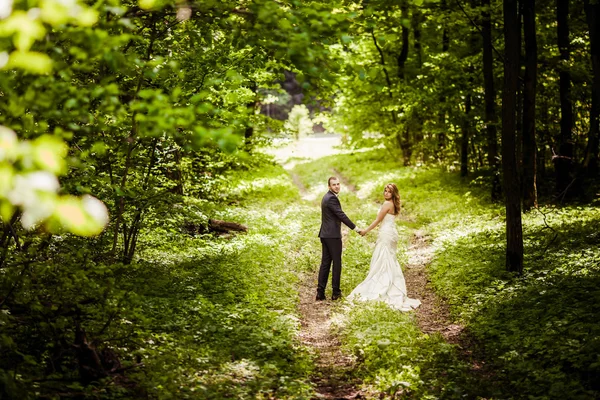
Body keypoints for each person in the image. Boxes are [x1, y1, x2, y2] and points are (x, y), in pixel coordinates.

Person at [347, 183, 421, 311]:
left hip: (386, 234)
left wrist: (365, 231)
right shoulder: (393, 204)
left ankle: (383, 286)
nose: (386, 193)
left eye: (389, 191)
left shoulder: (387, 204)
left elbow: (377, 220)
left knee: (384, 259)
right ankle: (391, 283)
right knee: (389, 259)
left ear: (393, 194)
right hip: (391, 233)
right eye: (385, 191)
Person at [317, 177, 363, 301]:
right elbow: (341, 215)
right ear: (329, 186)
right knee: (336, 263)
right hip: (332, 236)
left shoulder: (326, 197)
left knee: (325, 264)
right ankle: (335, 293)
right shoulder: (331, 198)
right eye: (334, 185)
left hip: (325, 235)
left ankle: (320, 293)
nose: (337, 186)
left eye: (338, 184)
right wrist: (356, 228)